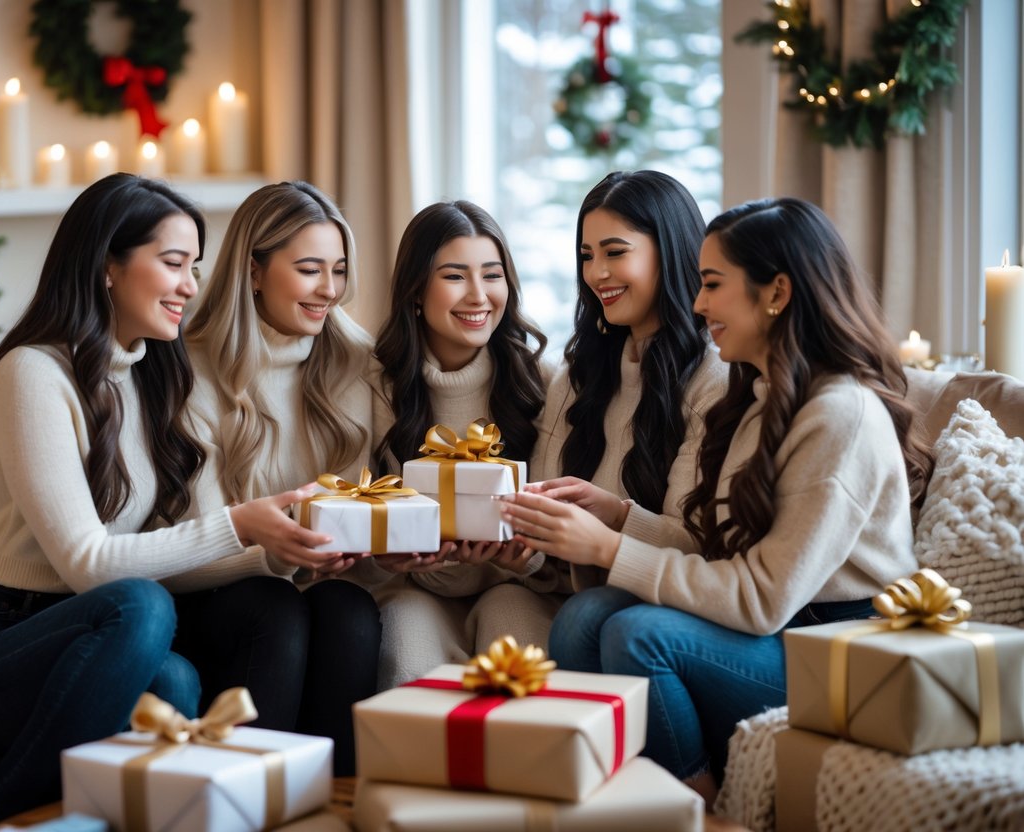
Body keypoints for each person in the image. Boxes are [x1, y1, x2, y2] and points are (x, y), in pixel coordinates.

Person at [503, 197, 932, 804]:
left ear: (776, 292)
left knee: (638, 634)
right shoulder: (762, 397)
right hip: (784, 634)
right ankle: (620, 801)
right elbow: (714, 552)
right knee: (584, 618)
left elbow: (759, 599)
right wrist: (620, 516)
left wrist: (609, 547)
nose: (699, 303)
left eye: (712, 284)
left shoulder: (839, 415)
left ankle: (698, 807)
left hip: (838, 654)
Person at [0, 175, 309, 829]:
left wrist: (270, 549)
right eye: (172, 263)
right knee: (142, 606)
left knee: (180, 680)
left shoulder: (143, 377)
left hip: (99, 640)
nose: (190, 285)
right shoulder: (31, 374)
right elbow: (89, 566)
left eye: (193, 266)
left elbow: (143, 560)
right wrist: (234, 523)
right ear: (108, 263)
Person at [183, 181, 381, 776]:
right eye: (309, 269)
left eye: (339, 270)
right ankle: (250, 797)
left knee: (347, 607)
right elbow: (191, 539)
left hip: (311, 584)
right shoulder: (189, 369)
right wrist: (279, 556)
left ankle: (334, 801)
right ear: (254, 270)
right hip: (218, 592)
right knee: (275, 607)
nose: (330, 290)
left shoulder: (354, 359)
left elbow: (363, 500)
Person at [364, 200, 553, 689]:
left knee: (518, 647)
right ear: (415, 291)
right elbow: (352, 513)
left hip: (516, 585)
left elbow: (561, 532)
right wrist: (385, 551)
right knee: (407, 658)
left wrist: (528, 556)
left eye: (492, 275)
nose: (478, 296)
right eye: (454, 276)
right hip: (413, 586)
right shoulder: (372, 386)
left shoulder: (546, 384)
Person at [529, 170, 728, 591]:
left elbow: (698, 547)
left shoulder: (715, 378)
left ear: (671, 252)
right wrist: (517, 555)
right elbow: (543, 545)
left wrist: (619, 517)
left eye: (615, 252)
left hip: (662, 602)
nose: (596, 273)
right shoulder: (577, 374)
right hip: (567, 597)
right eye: (586, 256)